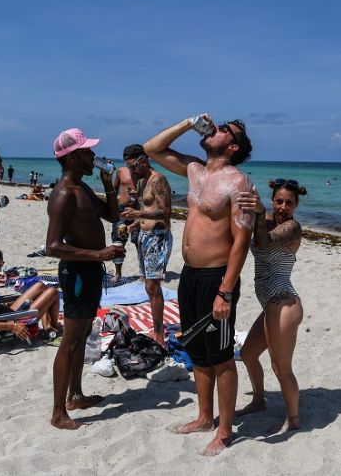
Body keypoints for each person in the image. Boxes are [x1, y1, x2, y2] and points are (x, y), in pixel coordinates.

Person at [143, 113, 254, 456]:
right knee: (197, 352)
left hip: (216, 279)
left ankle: (224, 431)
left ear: (232, 146)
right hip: (190, 276)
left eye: (223, 130)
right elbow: (152, 148)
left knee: (221, 356)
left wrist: (225, 290)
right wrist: (188, 124)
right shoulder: (194, 170)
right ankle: (205, 417)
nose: (215, 129)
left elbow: (242, 240)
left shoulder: (238, 183)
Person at [45, 127, 125, 430]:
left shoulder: (83, 188)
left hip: (90, 271)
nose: (94, 155)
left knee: (81, 338)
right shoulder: (64, 193)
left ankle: (75, 395)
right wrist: (97, 255)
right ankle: (57, 412)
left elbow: (112, 214)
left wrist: (109, 184)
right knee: (70, 341)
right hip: (78, 272)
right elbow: (52, 246)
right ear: (74, 157)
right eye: (88, 151)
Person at [235, 178, 307, 432]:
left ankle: (294, 419)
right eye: (279, 201)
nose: (282, 207)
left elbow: (264, 242)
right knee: (247, 354)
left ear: (296, 205)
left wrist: (259, 211)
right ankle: (258, 401)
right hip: (269, 306)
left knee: (281, 366)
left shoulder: (292, 228)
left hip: (284, 304)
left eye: (289, 203)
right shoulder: (264, 220)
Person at [120, 145, 173, 346]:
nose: (132, 171)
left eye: (133, 166)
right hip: (145, 235)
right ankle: (156, 326)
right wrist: (135, 224)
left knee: (153, 285)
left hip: (158, 237)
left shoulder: (158, 179)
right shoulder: (142, 181)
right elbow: (147, 208)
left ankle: (159, 334)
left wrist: (138, 214)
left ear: (143, 159)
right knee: (148, 287)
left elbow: (165, 211)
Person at [0, 245, 62, 338]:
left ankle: (47, 325)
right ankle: (54, 326)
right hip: (9, 320)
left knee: (40, 286)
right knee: (53, 291)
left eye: (1, 266)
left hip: (6, 313)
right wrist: (12, 327)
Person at [110, 144, 144, 283]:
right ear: (125, 159)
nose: (133, 167)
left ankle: (143, 273)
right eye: (129, 163)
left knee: (139, 243)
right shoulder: (121, 171)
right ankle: (118, 273)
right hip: (122, 212)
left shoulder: (145, 173)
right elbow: (113, 190)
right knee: (118, 243)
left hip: (137, 212)